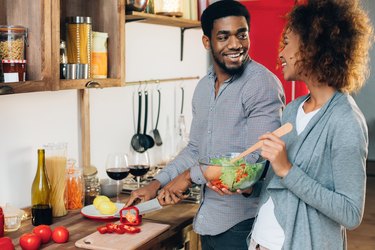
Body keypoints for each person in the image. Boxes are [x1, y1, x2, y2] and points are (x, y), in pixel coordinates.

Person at [125, 1, 285, 249]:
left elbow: (254, 160)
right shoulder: (203, 88)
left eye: (241, 34)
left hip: (245, 224)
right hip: (209, 220)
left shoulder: (261, 85)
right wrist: (156, 184)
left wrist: (188, 177)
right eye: (223, 36)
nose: (235, 44)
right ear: (207, 42)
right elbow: (195, 149)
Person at [248, 1, 374, 249]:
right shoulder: (293, 109)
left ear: (312, 47)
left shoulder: (346, 120)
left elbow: (350, 213)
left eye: (287, 42)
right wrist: (247, 187)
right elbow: (279, 185)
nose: (281, 53)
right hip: (260, 242)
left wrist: (287, 169)